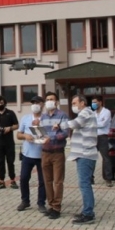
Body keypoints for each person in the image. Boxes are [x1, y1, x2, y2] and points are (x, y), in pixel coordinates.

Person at [63, 94, 98, 224]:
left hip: (85, 155)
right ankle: (86, 211)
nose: (73, 106)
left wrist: (59, 125)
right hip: (83, 154)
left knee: (84, 184)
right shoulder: (86, 113)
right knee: (84, 184)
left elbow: (74, 124)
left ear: (82, 103)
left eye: (74, 103)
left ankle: (88, 214)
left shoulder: (86, 113)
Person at [39, 91, 69, 219]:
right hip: (45, 152)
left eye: (52, 99)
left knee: (58, 181)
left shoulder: (62, 115)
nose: (49, 101)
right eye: (47, 99)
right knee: (47, 181)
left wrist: (52, 137)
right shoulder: (43, 117)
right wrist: (38, 136)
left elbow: (66, 132)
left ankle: (57, 207)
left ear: (56, 102)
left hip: (57, 153)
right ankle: (50, 205)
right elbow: (41, 133)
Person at [15, 95, 47, 213]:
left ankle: (41, 203)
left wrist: (37, 128)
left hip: (42, 154)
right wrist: (25, 136)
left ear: (42, 104)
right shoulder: (25, 118)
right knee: (23, 178)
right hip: (27, 154)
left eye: (37, 103)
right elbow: (18, 135)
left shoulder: (46, 118)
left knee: (42, 181)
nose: (35, 105)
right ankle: (25, 200)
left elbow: (47, 137)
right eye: (33, 103)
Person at [92, 95, 113, 187]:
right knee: (91, 158)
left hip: (103, 137)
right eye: (92, 102)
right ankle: (90, 178)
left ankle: (108, 179)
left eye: (95, 102)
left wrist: (93, 124)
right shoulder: (93, 113)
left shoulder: (106, 112)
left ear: (100, 102)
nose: (93, 104)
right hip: (93, 137)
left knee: (106, 158)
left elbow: (103, 124)